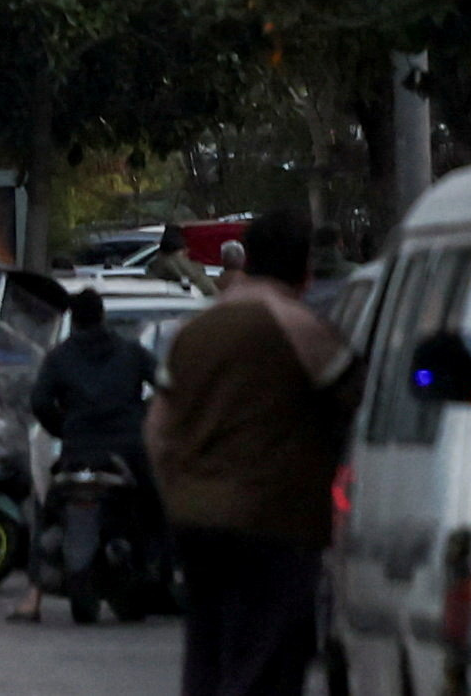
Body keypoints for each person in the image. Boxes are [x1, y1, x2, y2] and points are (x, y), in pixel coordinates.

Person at [149, 211, 361, 696]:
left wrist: (179, 496)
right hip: (275, 523)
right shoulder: (303, 330)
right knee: (266, 660)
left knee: (208, 651)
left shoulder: (193, 331)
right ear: (306, 270)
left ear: (245, 260)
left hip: (196, 522)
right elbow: (355, 405)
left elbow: (157, 430)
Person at [16, 285, 161, 619]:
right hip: (128, 450)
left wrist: (64, 427)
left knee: (48, 509)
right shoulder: (132, 352)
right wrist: (148, 416)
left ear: (74, 320)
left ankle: (33, 595)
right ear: (102, 317)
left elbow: (39, 402)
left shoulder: (59, 357)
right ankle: (164, 568)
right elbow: (167, 385)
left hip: (77, 451)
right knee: (156, 504)